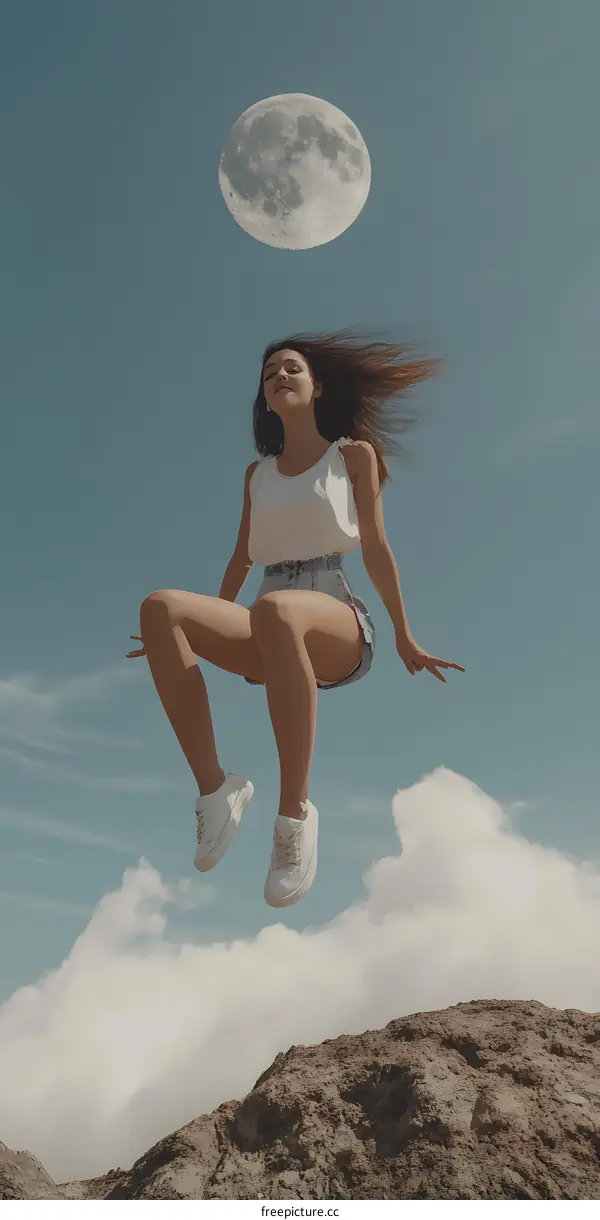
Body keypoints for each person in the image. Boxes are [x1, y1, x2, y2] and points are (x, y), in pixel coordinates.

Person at [126, 331, 464, 909]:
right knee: (161, 608)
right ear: (263, 398)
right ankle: (216, 789)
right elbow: (240, 558)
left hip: (337, 622)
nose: (279, 377)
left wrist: (405, 633)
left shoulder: (351, 456)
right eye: (268, 375)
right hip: (268, 621)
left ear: (317, 386)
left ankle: (294, 817)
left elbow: (378, 548)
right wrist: (192, 630)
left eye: (291, 369)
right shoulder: (255, 477)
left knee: (276, 609)